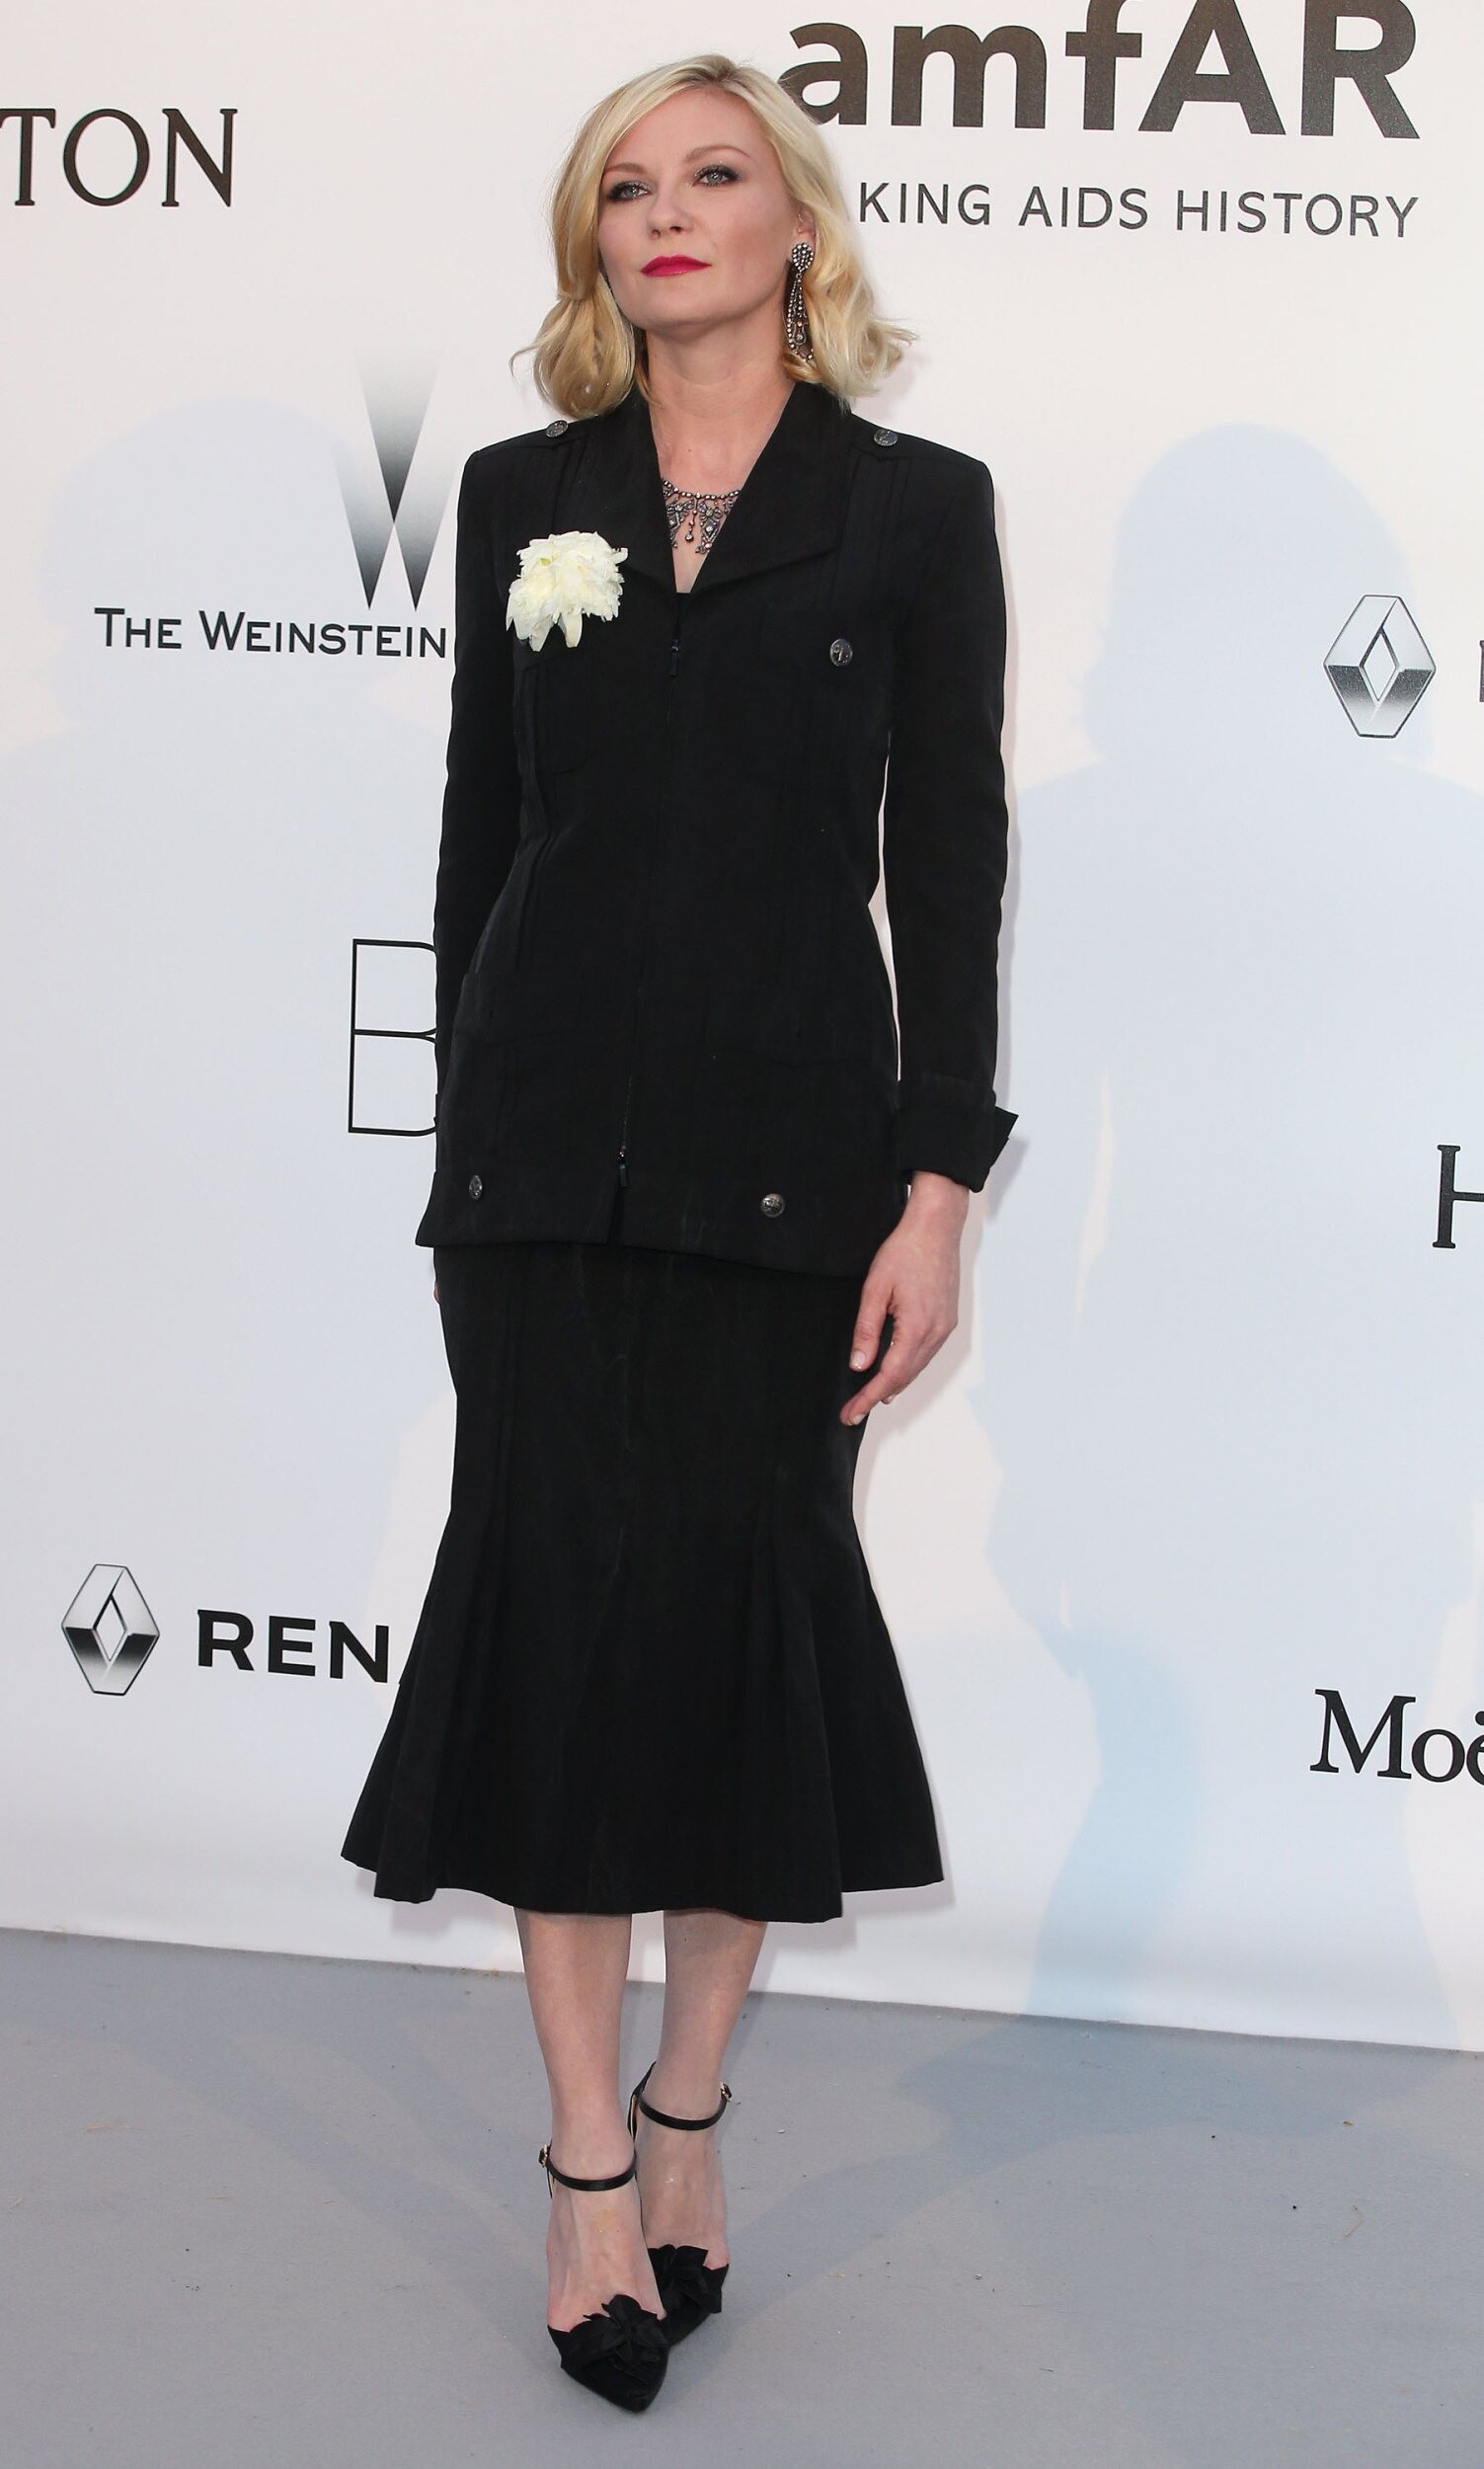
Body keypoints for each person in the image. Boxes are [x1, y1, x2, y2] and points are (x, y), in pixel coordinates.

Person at [341, 49, 1017, 2412]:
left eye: (714, 174)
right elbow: (478, 832)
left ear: (794, 227)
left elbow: (948, 857)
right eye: (625, 183)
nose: (665, 211)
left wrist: (936, 1182)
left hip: (791, 1168)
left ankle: (691, 2104)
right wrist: (471, 1126)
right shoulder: (523, 494)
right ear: (592, 240)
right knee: (551, 1634)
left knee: (740, 1645)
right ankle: (579, 2165)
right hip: (537, 1172)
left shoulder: (914, 509)